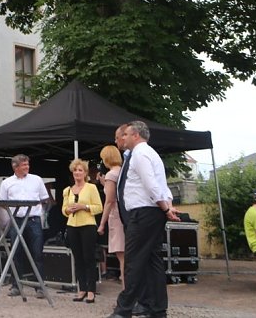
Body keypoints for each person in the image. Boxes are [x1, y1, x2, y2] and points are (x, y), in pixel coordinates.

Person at [108, 121, 180, 318]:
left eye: (127, 134)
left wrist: (165, 207)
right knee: (152, 262)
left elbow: (151, 185)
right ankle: (156, 308)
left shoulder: (140, 154)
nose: (124, 137)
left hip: (143, 213)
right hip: (151, 212)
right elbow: (161, 185)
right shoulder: (151, 154)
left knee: (134, 261)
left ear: (136, 135)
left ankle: (124, 309)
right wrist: (167, 206)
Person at [0, 153, 49, 298]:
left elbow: (45, 199)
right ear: (15, 167)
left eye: (28, 164)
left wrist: (38, 210)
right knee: (16, 253)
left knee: (37, 253)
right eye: (24, 165)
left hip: (33, 220)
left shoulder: (37, 180)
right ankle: (16, 286)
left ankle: (39, 286)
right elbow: (2, 202)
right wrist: (14, 209)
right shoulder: (7, 183)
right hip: (16, 220)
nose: (27, 167)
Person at [63, 158, 103, 303]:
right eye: (75, 170)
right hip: (72, 225)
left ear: (85, 173)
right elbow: (63, 210)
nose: (77, 173)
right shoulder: (67, 190)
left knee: (89, 258)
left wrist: (84, 207)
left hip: (88, 225)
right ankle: (82, 289)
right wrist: (68, 209)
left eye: (80, 170)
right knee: (78, 258)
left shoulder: (91, 188)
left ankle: (91, 290)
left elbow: (99, 207)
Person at [98, 145, 126, 286]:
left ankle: (126, 291)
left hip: (115, 216)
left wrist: (102, 223)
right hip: (126, 215)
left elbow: (109, 201)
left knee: (122, 255)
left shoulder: (110, 174)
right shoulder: (122, 171)